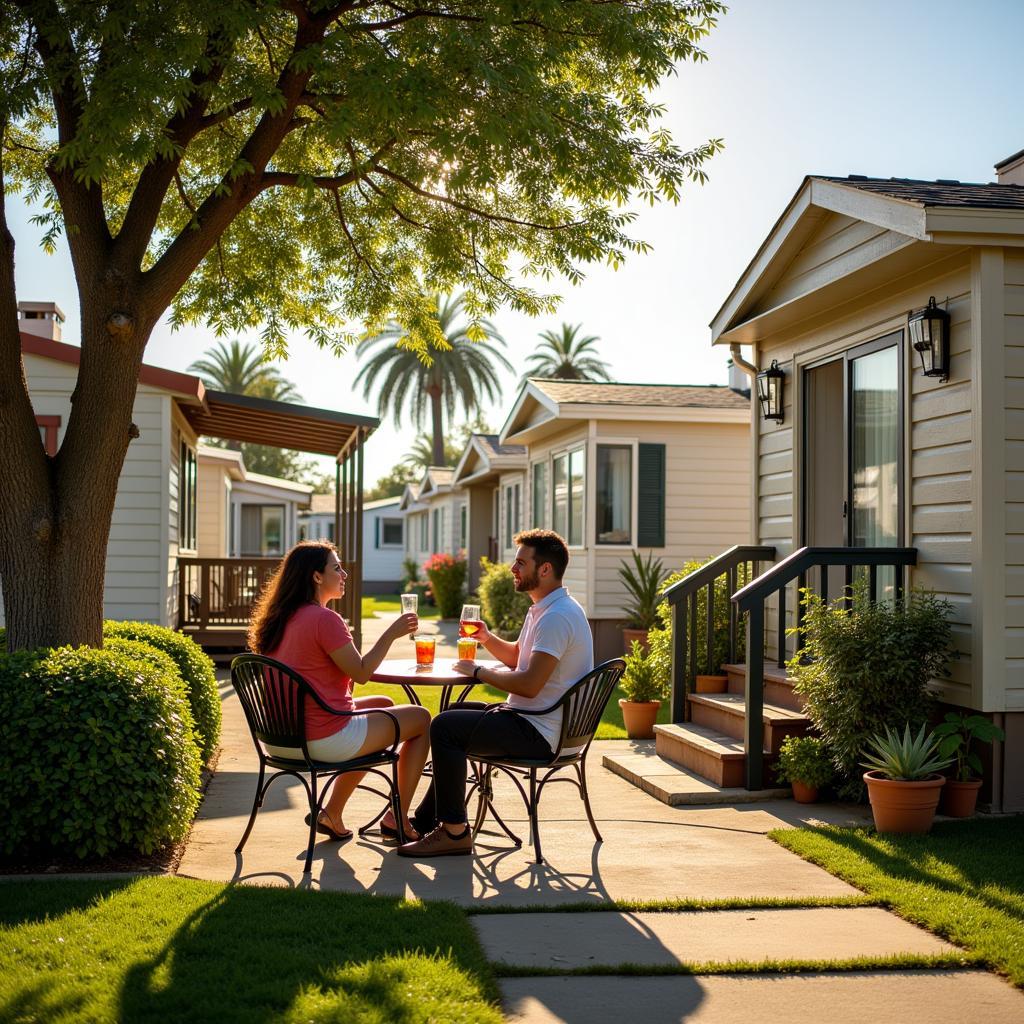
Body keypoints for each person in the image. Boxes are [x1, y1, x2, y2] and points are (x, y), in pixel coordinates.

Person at [398, 529, 593, 857]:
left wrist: (479, 671)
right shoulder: (545, 608)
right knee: (452, 717)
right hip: (536, 721)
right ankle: (422, 822)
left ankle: (455, 832)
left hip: (540, 732)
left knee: (445, 729)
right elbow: (519, 657)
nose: (512, 569)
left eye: (520, 562)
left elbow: (529, 685)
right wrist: (487, 639)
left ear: (544, 569)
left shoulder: (557, 617)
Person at [248, 540, 430, 842]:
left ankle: (331, 814)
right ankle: (397, 819)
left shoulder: (280, 618)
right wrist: (391, 633)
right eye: (336, 567)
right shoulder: (324, 619)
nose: (343, 574)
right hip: (321, 739)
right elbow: (361, 673)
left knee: (384, 704)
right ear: (317, 577)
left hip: (279, 740)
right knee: (422, 720)